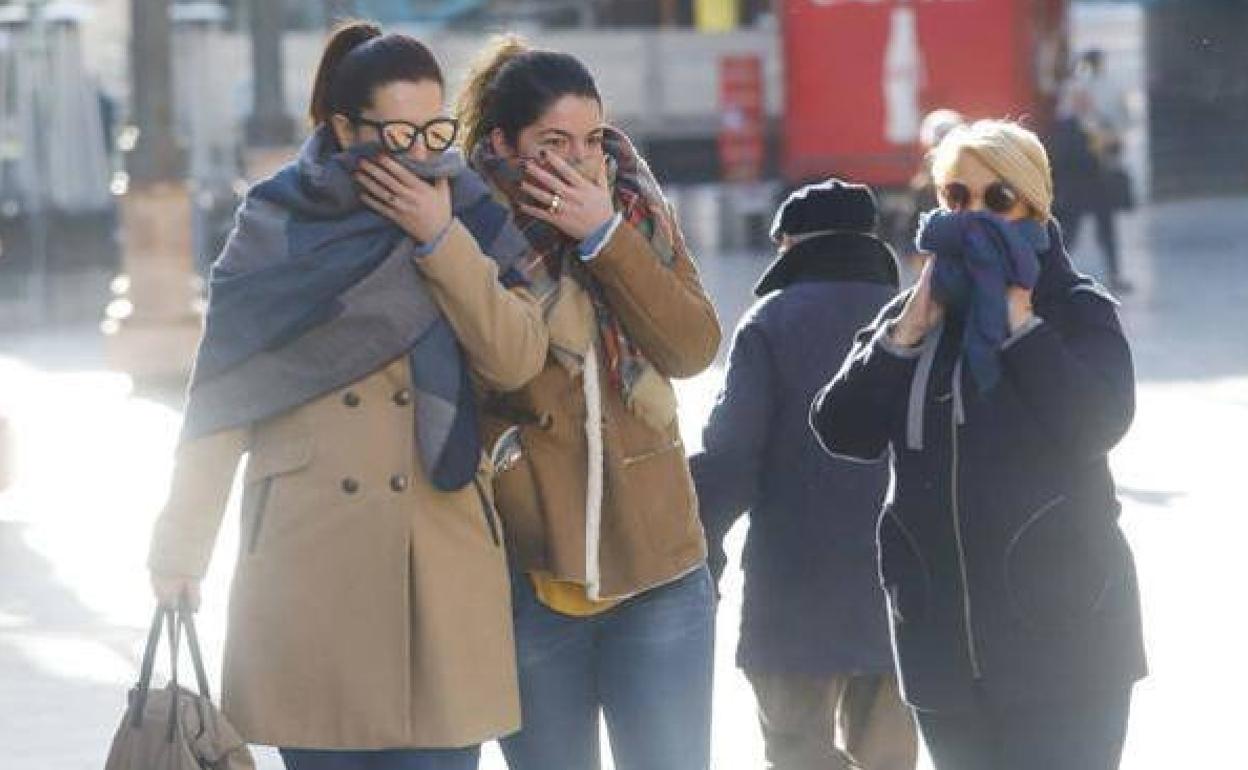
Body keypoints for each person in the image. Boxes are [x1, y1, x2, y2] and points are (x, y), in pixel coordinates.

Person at [146, 22, 549, 770]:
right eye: (398, 132)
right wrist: (180, 550)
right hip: (310, 565)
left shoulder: (468, 211)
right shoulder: (276, 221)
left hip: (437, 556)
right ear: (342, 127)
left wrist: (440, 240)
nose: (422, 153)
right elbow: (221, 399)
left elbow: (518, 356)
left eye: (436, 129)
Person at [811, 120, 1146, 770]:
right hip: (943, 652)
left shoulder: (1077, 310)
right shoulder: (914, 316)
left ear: (1035, 207)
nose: (973, 217)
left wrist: (1021, 326)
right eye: (956, 198)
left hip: (1067, 647)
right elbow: (840, 428)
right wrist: (907, 331)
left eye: (998, 200)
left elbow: (1098, 423)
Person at [455, 35, 723, 770]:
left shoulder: (631, 203)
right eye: (553, 141)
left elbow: (694, 347)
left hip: (658, 566)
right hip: (533, 571)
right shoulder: (466, 227)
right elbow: (457, 382)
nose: (578, 159)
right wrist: (505, 457)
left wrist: (604, 236)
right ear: (503, 143)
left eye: (591, 137)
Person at [690, 179, 916, 770]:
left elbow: (732, 455)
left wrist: (697, 540)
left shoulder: (771, 320)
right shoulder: (918, 317)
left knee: (798, 753)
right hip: (903, 582)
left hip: (794, 587)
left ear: (789, 244)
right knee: (890, 756)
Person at [1052, 50, 1133, 292]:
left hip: (1098, 185)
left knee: (1106, 231)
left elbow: (1116, 148)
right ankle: (1054, 273)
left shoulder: (1099, 122)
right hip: (1075, 186)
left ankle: (1115, 273)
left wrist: (1109, 145)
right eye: (1079, 97)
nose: (1084, 100)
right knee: (1068, 234)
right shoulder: (1065, 125)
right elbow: (1062, 156)